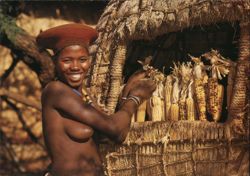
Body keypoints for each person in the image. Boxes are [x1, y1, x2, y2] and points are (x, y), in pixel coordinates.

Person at [36, 23, 156, 176]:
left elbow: (111, 126)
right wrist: (136, 97)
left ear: (90, 61)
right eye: (67, 60)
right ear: (55, 62)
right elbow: (116, 131)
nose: (75, 66)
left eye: (82, 59)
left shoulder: (84, 94)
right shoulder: (56, 91)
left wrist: (128, 90)